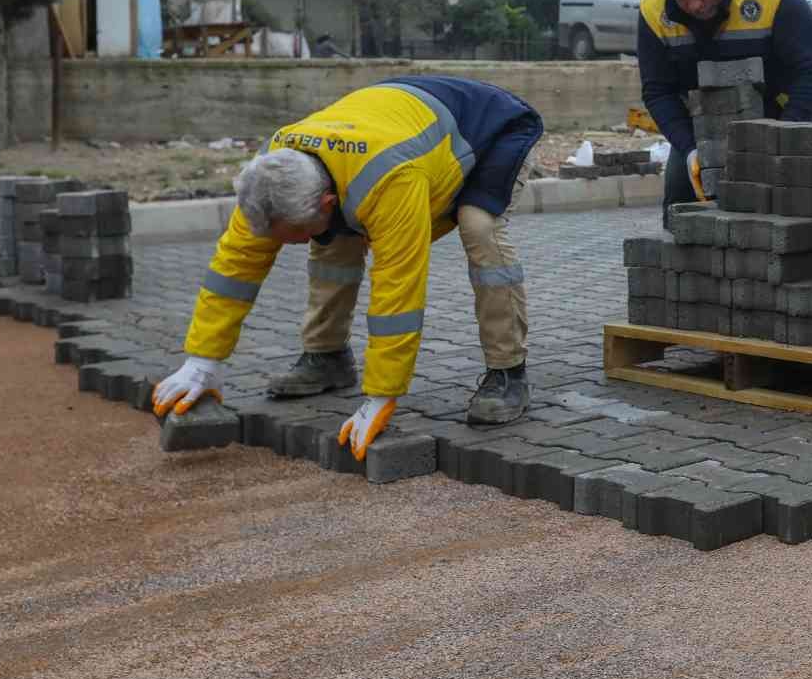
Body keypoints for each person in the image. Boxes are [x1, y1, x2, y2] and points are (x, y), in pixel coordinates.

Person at [151, 76, 544, 458]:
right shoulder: (270, 174)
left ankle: (508, 374)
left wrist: (382, 395)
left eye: (299, 234)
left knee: (479, 225)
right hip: (400, 122)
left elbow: (398, 289)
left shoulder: (390, 179)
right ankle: (327, 358)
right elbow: (234, 266)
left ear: (324, 202)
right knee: (335, 239)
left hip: (492, 128)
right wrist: (202, 360)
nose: (296, 244)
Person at [637, 0, 812, 216]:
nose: (694, 5)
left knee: (796, 207)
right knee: (681, 200)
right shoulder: (653, 10)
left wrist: (785, 141)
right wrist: (690, 148)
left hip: (782, 117)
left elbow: (811, 72)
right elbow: (658, 91)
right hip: (700, 129)